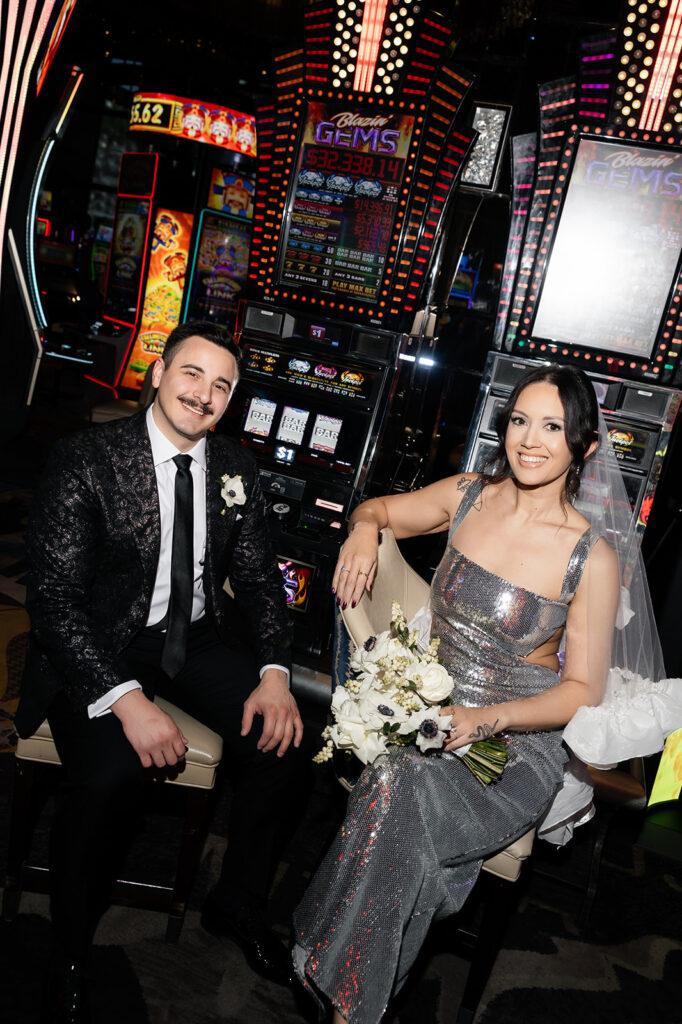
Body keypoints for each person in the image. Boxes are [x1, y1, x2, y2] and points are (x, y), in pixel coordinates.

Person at [292, 364, 621, 1024]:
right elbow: (379, 508)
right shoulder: (470, 495)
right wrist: (362, 528)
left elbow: (583, 691)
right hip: (426, 711)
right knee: (399, 783)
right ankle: (352, 994)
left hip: (514, 743)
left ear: (583, 447)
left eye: (552, 427)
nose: (529, 439)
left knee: (395, 786)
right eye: (520, 421)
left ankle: (340, 988)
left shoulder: (593, 557)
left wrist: (485, 717)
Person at [15, 321, 303, 1022]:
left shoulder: (236, 470)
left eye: (221, 386)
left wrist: (274, 672)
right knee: (111, 776)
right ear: (158, 373)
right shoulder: (87, 458)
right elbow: (50, 601)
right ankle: (71, 952)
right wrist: (125, 699)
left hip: (193, 640)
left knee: (288, 747)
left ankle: (235, 904)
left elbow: (264, 583)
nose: (203, 394)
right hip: (99, 645)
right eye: (192, 374)